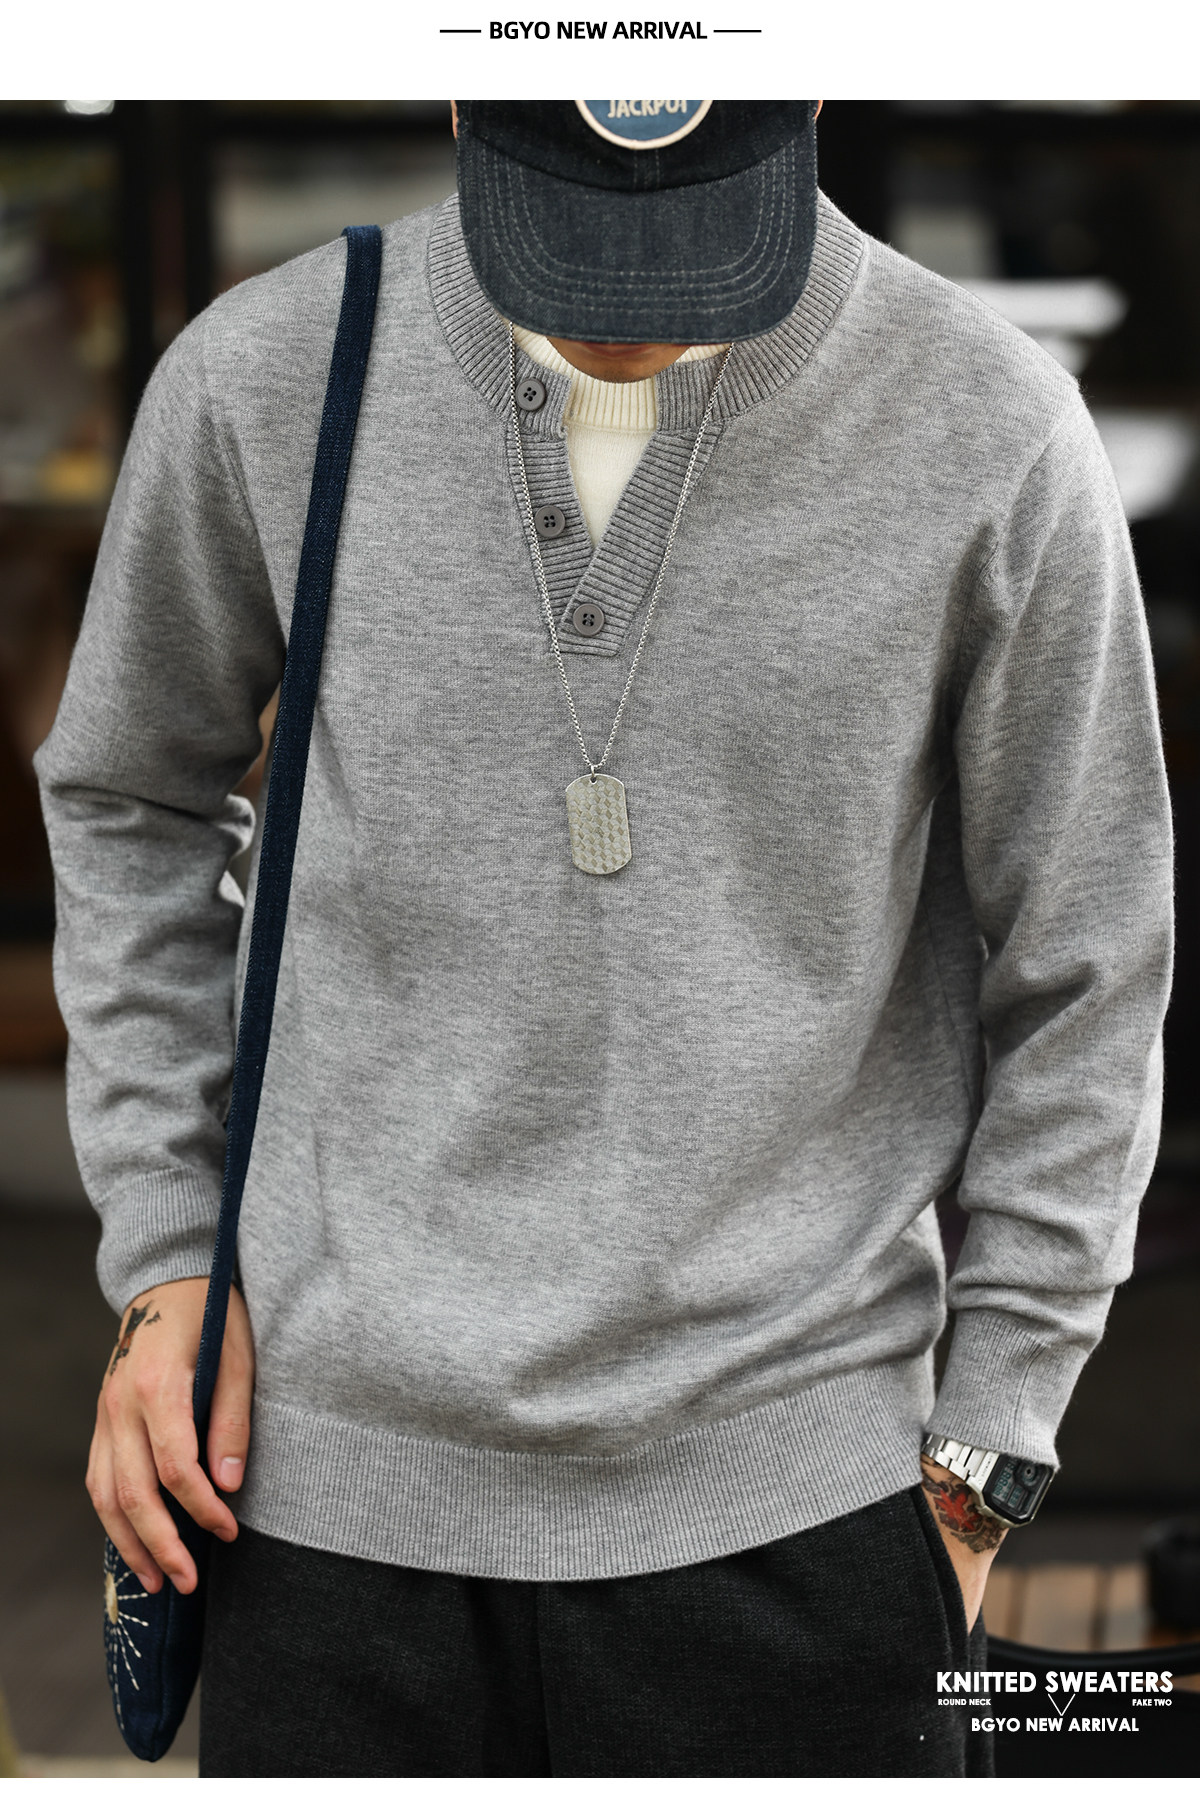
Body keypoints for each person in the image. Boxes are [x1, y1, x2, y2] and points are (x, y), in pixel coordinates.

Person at [35, 100, 1172, 1777]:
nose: (630, 309)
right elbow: (128, 792)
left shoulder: (989, 422)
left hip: (809, 1502)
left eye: (694, 244)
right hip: (327, 1500)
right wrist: (165, 1258)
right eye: (570, 244)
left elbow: (1090, 948)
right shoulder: (263, 375)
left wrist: (992, 1437)